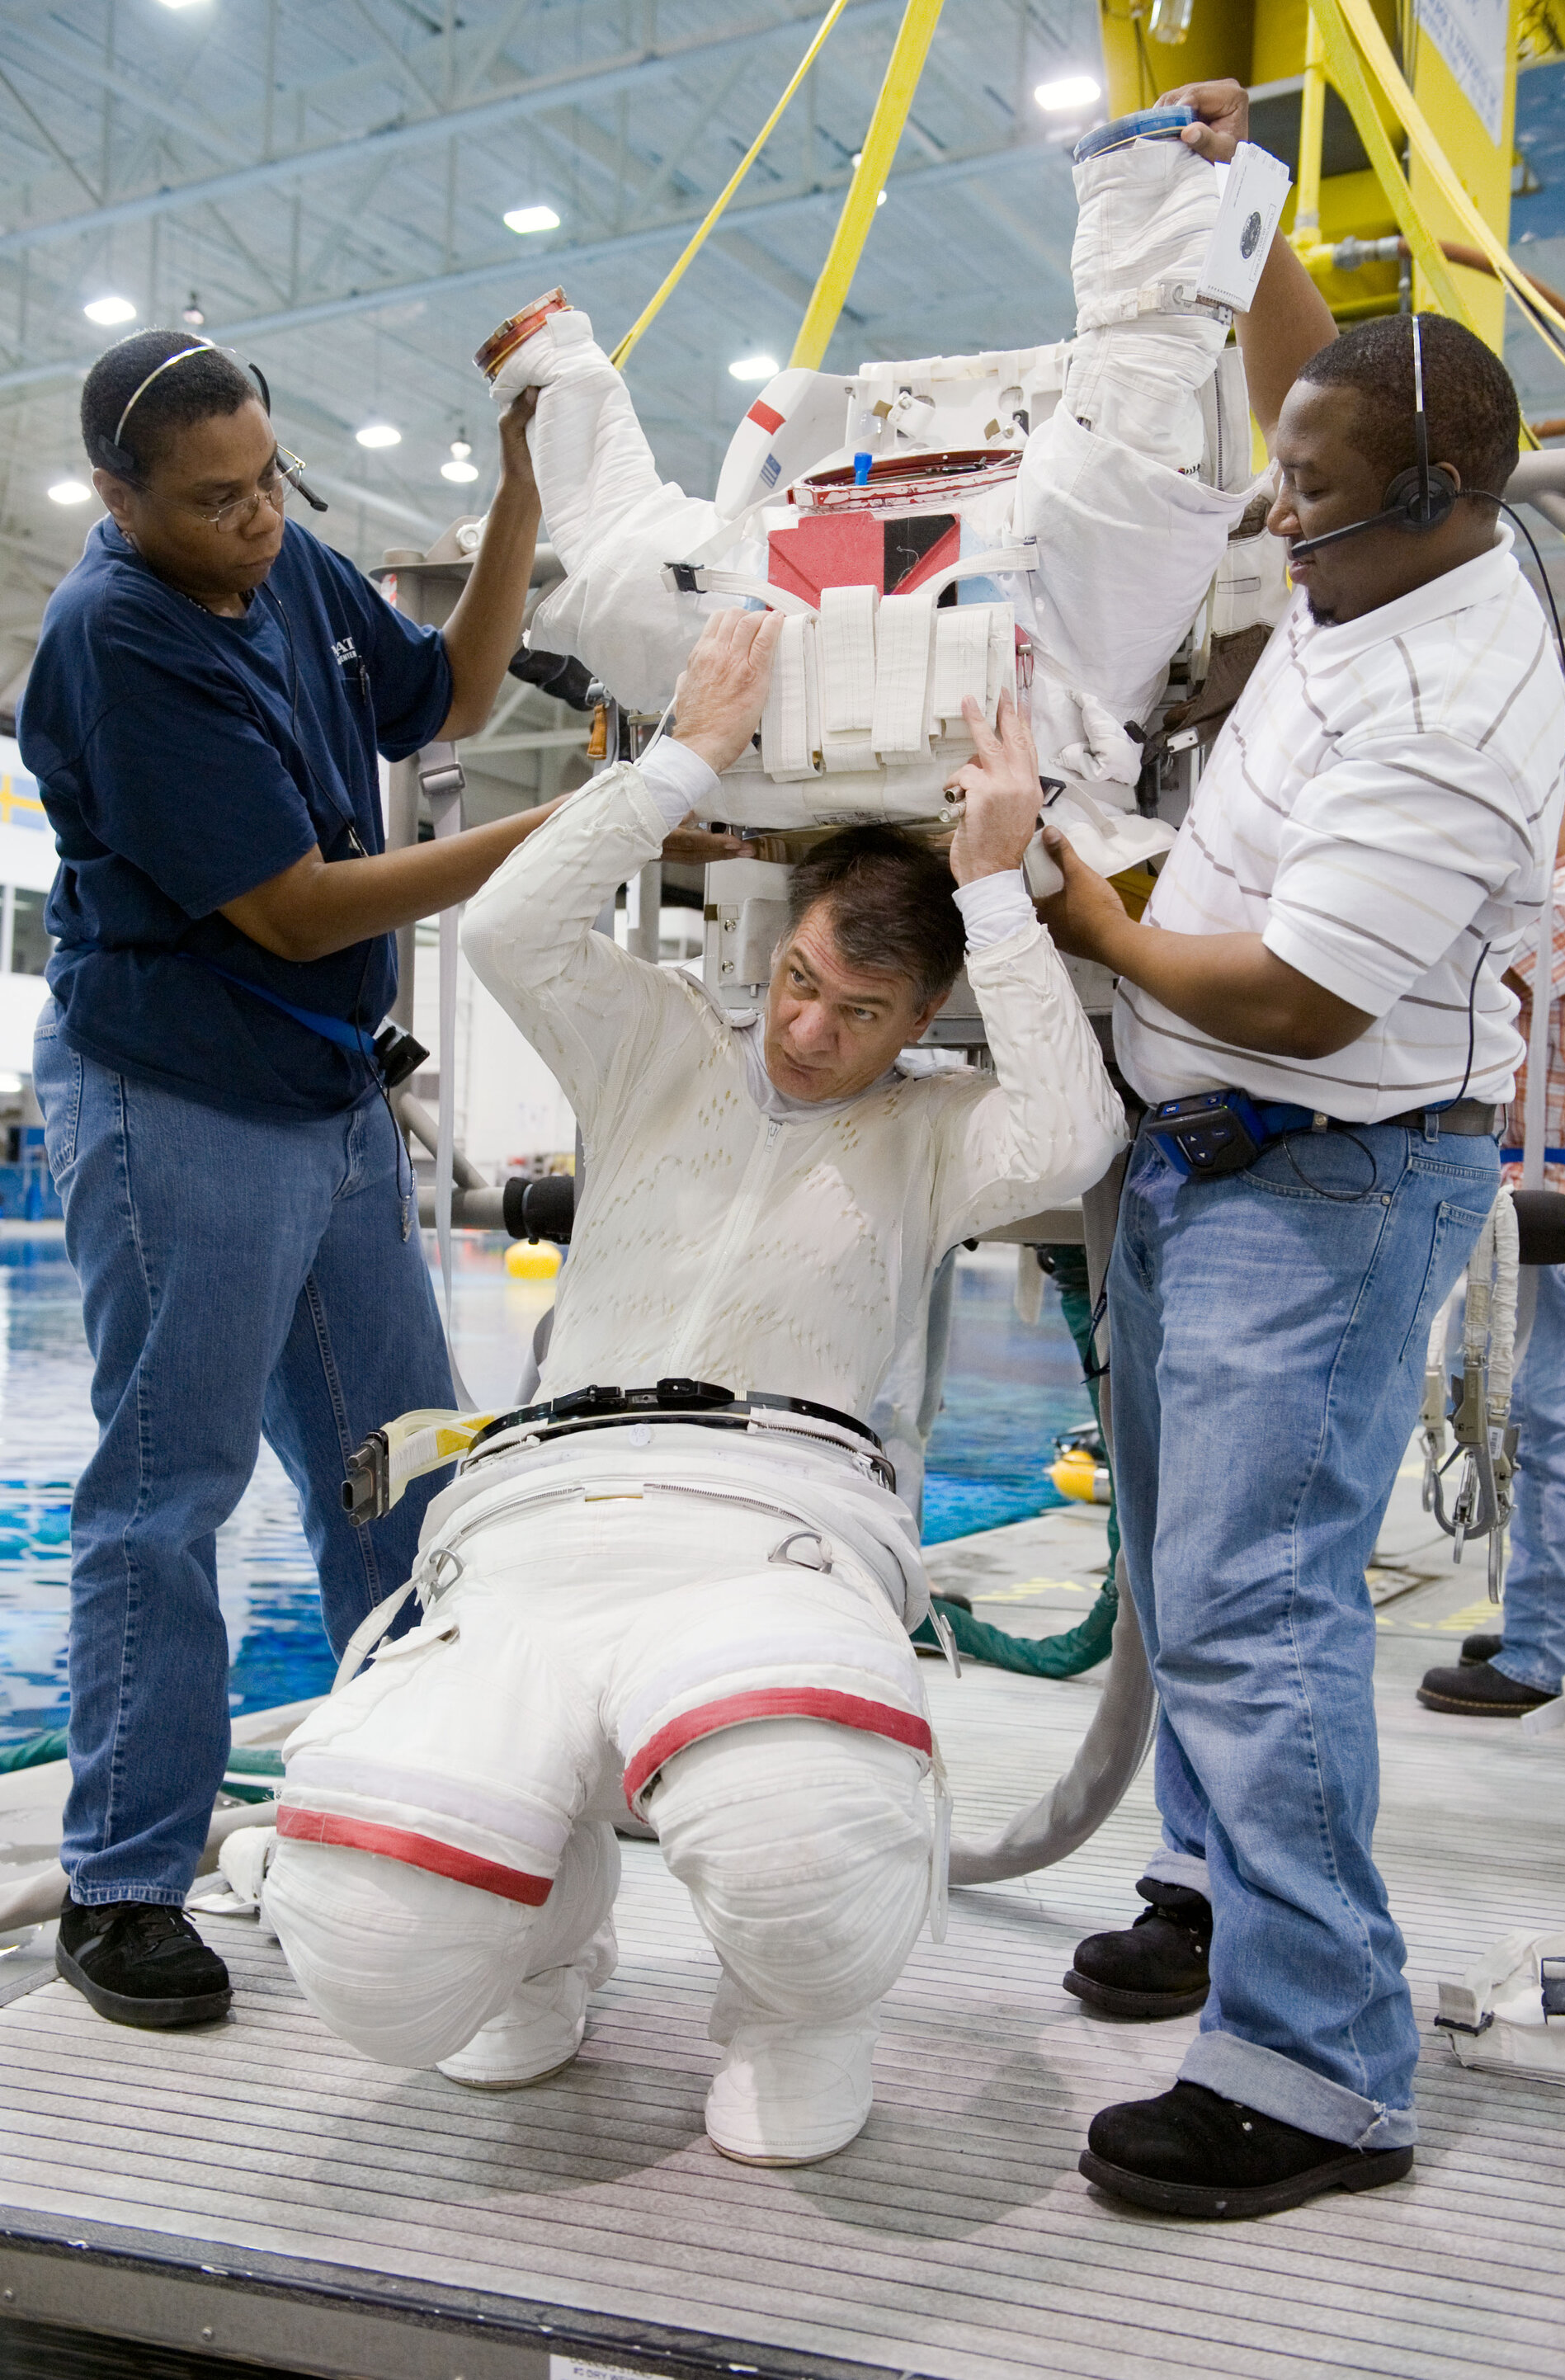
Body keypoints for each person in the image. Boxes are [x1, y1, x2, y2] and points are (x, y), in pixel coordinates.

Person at [261, 608, 1128, 2167]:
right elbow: (516, 928)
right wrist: (680, 762)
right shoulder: (652, 1041)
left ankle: (795, 2016)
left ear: (925, 1020)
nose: (807, 1032)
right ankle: (542, 1944)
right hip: (534, 1525)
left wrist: (998, 891)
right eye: (798, 981)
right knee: (373, 1918)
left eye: (860, 1014)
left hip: (769, 1532)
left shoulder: (943, 1135)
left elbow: (1075, 1141)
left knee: (800, 1839)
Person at [1035, 79, 1565, 2218]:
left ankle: (1321, 2066)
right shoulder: (1394, 533)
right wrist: (1227, 208)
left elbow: (1298, 998)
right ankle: (1205, 1877)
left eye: (1315, 497)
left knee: (1254, 1610)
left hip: (1325, 1178)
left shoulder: (1453, 708)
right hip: (1219, 1163)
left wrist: (1067, 904)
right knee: (1193, 1584)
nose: (1282, 509)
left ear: (1436, 502)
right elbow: (1318, 382)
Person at [19, 329, 570, 2033]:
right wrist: (598, 824)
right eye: (213, 500)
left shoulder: (289, 556)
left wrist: (522, 486)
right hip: (180, 1096)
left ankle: (413, 1801)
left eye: (270, 481)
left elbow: (446, 698)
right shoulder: (119, 638)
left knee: (407, 1464)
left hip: (325, 1096)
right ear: (120, 499)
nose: (257, 518)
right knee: (167, 1487)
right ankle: (122, 1875)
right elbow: (298, 905)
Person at [1419, 782, 1565, 1714]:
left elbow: (1475, 961)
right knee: (1550, 1420)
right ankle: (1554, 1625)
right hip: (1551, 1187)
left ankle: (1543, 1649)